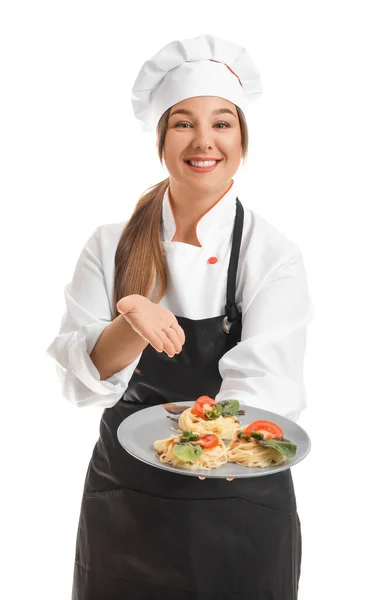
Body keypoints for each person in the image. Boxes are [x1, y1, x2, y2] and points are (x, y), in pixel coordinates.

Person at [47, 33, 314, 600]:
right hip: (127, 508)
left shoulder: (271, 253)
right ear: (162, 138)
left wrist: (202, 443)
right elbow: (80, 384)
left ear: (242, 138)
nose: (204, 141)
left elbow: (264, 387)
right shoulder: (110, 245)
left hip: (242, 508)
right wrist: (131, 316)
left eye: (222, 123)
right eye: (183, 122)